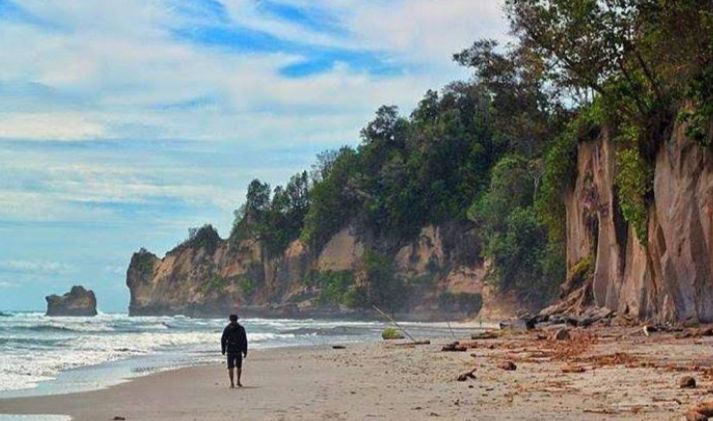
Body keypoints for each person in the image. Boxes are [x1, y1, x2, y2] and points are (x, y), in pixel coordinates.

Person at [221, 314, 248, 388]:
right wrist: (245, 350)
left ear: (230, 319)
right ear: (237, 319)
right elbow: (244, 340)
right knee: (239, 366)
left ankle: (232, 383)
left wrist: (223, 349)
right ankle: (238, 381)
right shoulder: (241, 328)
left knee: (230, 367)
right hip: (238, 349)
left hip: (230, 349)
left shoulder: (227, 328)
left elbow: (223, 339)